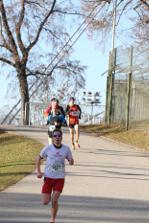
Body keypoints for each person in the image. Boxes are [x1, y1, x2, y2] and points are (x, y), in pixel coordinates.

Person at [36, 129, 74, 223]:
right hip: (48, 177)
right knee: (45, 202)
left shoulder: (66, 149)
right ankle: (50, 201)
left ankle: (52, 219)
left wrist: (71, 161)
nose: (57, 137)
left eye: (59, 136)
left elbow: (71, 160)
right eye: (55, 136)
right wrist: (38, 171)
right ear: (52, 138)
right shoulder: (47, 148)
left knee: (55, 199)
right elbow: (38, 158)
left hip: (59, 178)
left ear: (61, 137)